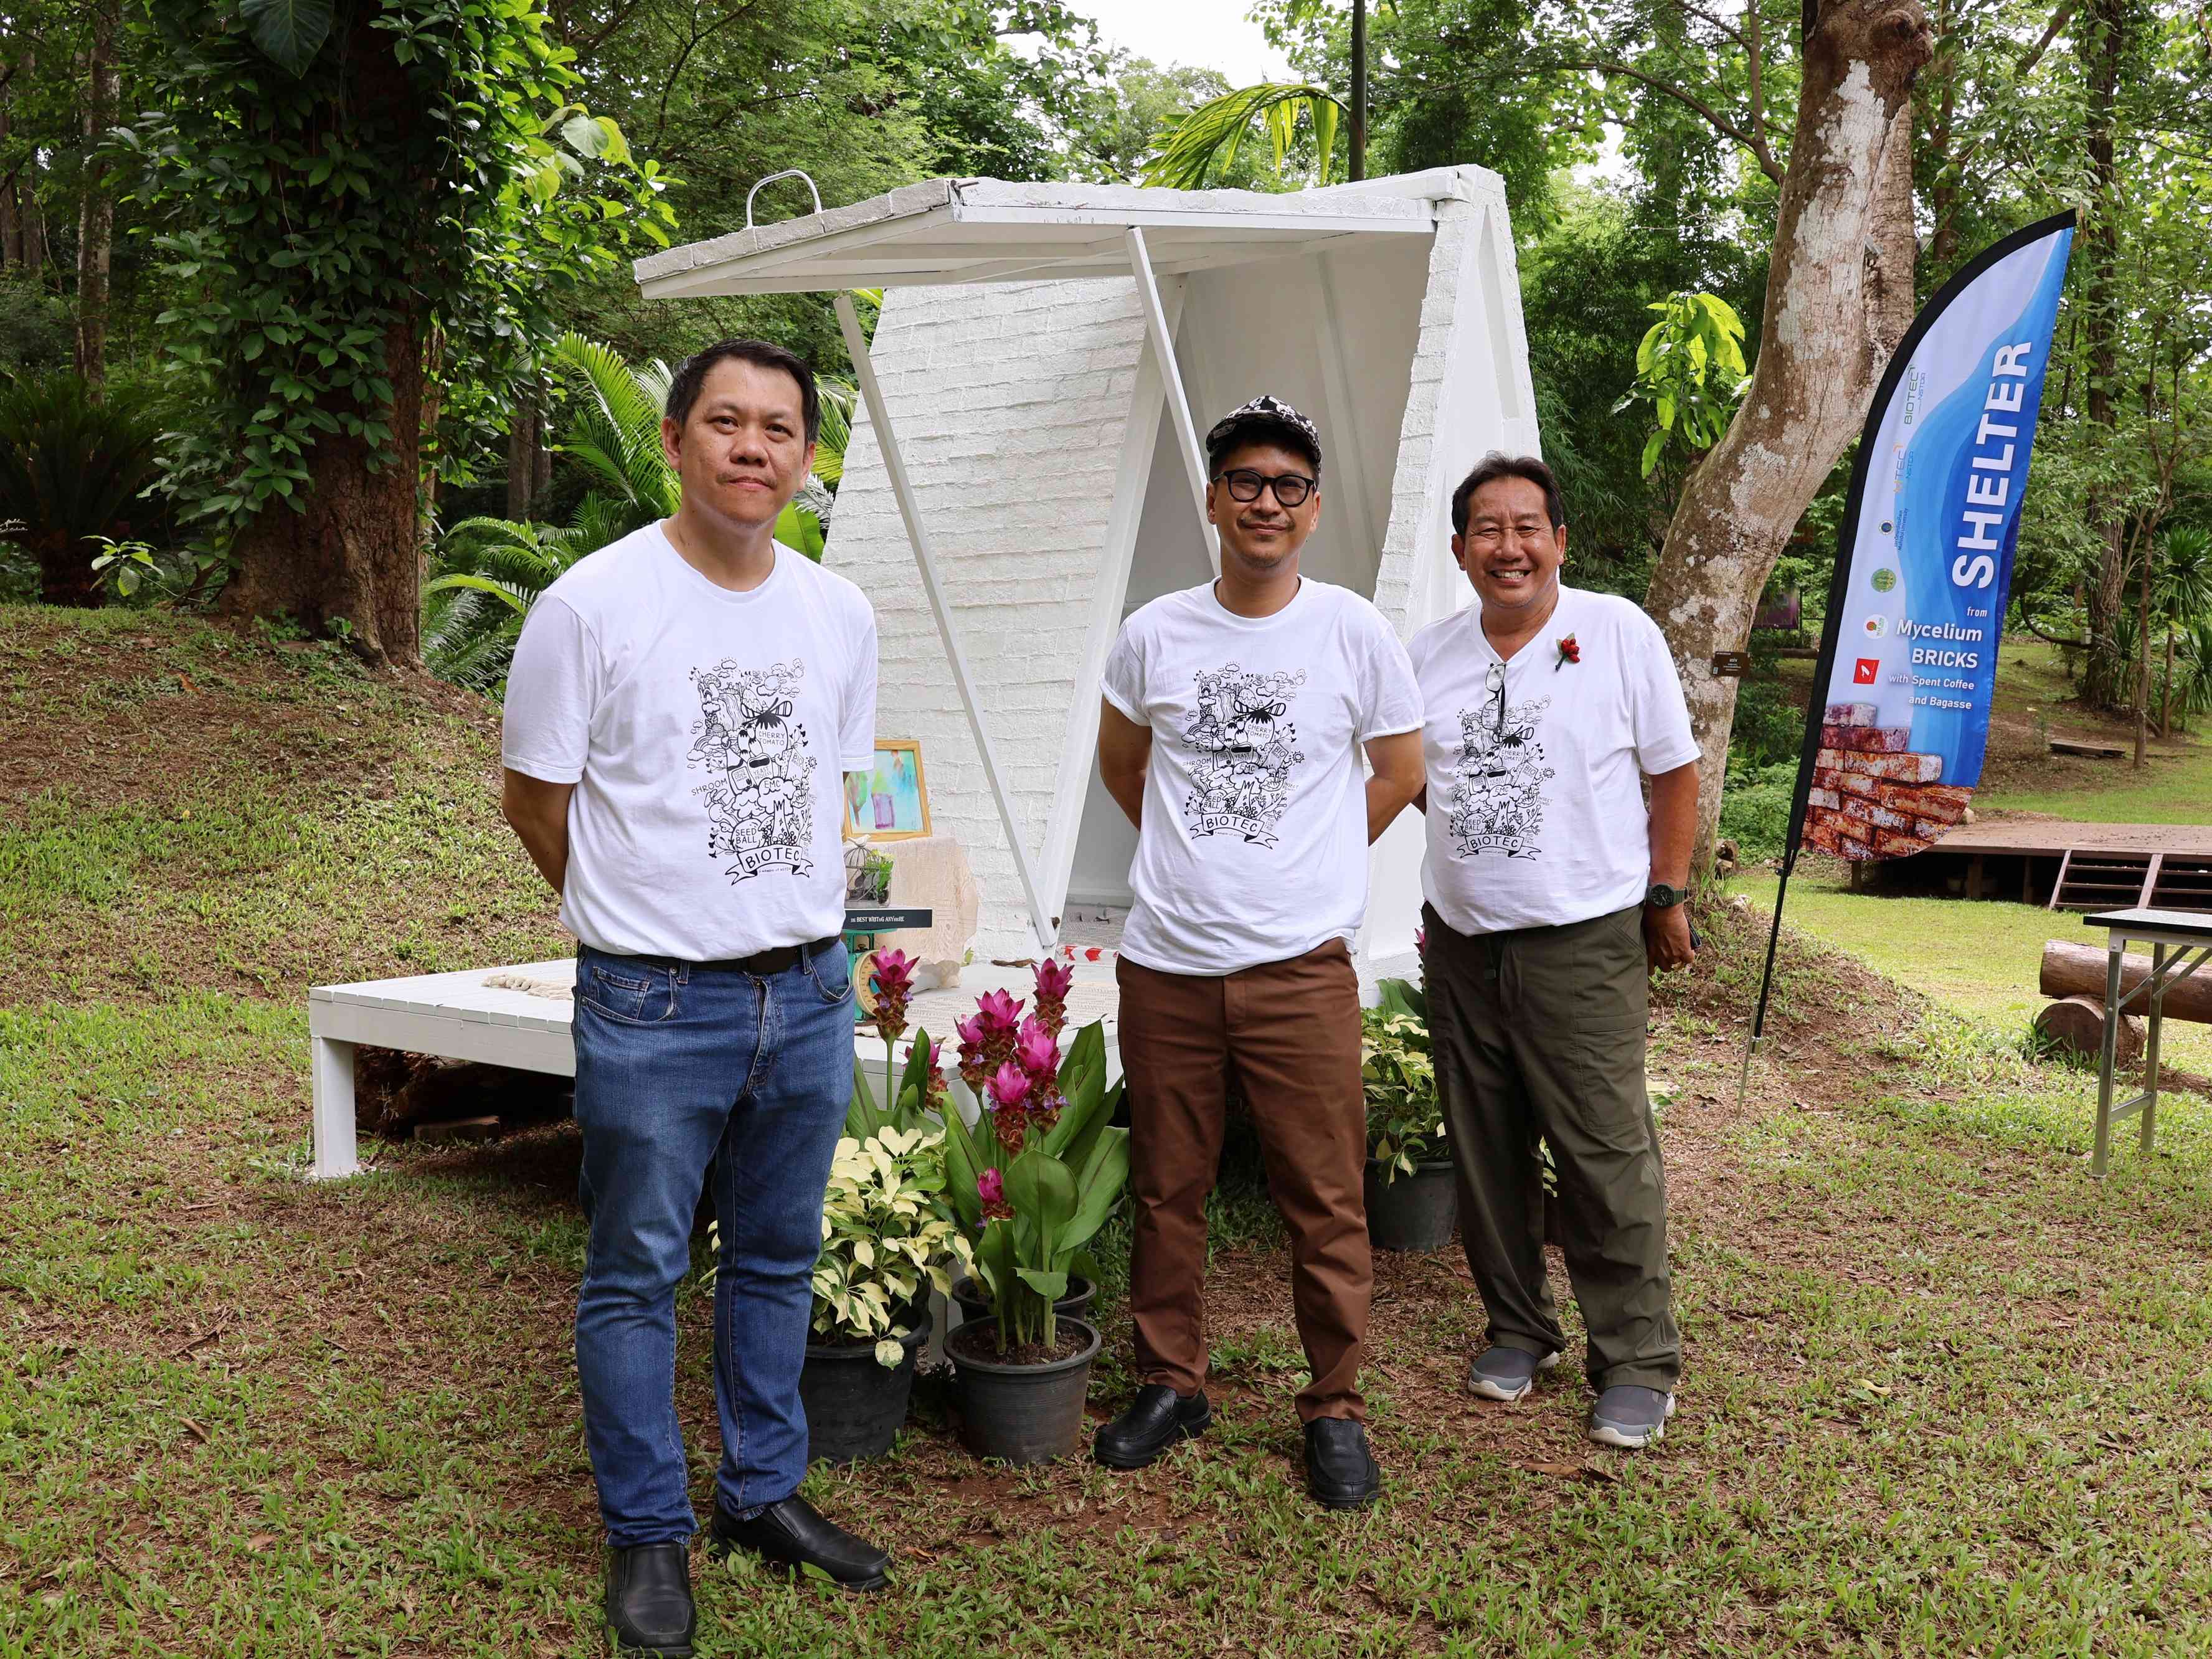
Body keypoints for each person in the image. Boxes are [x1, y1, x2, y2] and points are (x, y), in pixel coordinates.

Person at [501, 339, 886, 1657]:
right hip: (655, 1007)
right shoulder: (592, 607)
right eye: (725, 422)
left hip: (809, 993)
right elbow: (534, 801)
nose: (753, 447)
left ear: (805, 457)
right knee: (636, 1274)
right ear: (674, 440)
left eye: (780, 428)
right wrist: (637, 919)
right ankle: (650, 1532)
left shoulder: (840, 613)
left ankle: (762, 1496)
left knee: (776, 1260)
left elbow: (840, 792)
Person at [1092, 394, 1426, 1508]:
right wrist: (1199, 862)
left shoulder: (1353, 632)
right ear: (1215, 500)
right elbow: (1125, 769)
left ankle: (1333, 1407)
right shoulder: (1155, 632)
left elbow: (1401, 768)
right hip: (1169, 966)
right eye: (1246, 482)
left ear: (1313, 508)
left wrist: (1315, 857)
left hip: (1300, 971)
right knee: (1165, 1188)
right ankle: (1171, 1382)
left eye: (1287, 486)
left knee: (1324, 1197)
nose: (1266, 502)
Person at [1406, 452, 1699, 1451]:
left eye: (1527, 527)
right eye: (1486, 530)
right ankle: (1518, 1327)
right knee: (1485, 1153)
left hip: (1583, 940)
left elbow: (1674, 774)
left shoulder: (1617, 632)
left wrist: (1667, 894)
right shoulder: (1428, 657)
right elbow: (1409, 777)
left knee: (1602, 1153)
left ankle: (1638, 1359)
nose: (1508, 547)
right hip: (1461, 942)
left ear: (1560, 542)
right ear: (1460, 551)